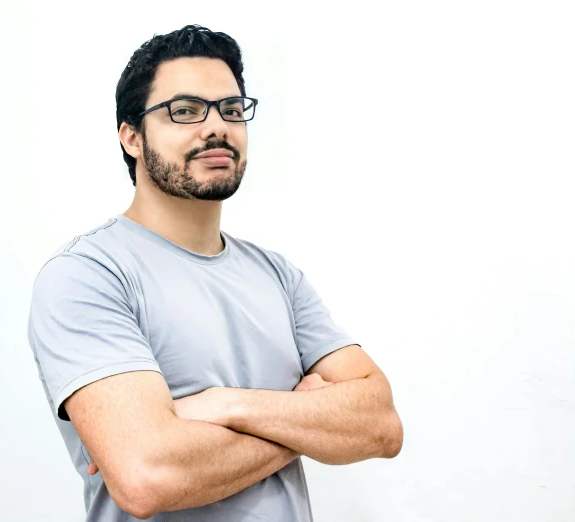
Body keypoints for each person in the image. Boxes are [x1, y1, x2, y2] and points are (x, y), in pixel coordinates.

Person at [27, 24, 403, 521]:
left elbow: (380, 426)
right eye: (184, 111)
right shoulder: (88, 276)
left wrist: (227, 405)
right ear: (132, 137)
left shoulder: (277, 276)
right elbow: (148, 477)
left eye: (231, 109)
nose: (217, 127)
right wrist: (302, 421)